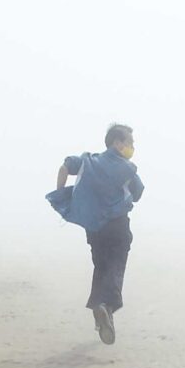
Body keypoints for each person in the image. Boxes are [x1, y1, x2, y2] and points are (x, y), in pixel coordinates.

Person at [45, 124, 145, 345]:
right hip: (117, 226)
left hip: (94, 228)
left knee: (101, 266)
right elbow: (138, 193)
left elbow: (64, 167)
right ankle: (105, 307)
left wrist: (62, 193)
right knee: (116, 266)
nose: (132, 147)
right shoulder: (127, 168)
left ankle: (102, 313)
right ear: (117, 143)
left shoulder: (88, 160)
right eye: (129, 143)